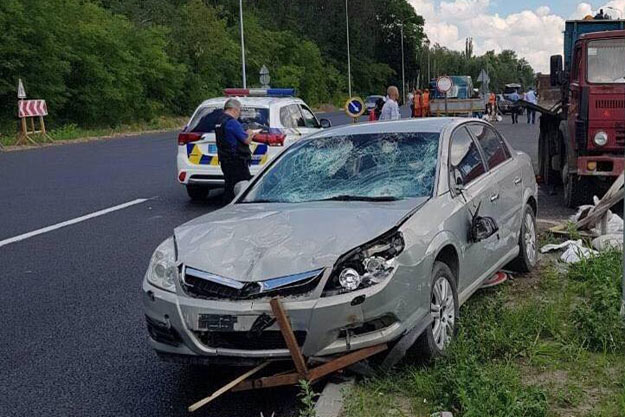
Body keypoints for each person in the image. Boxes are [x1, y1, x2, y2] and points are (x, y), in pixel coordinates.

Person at [216, 98, 256, 202]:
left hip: (225, 160)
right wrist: (250, 132)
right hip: (236, 161)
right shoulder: (232, 122)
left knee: (229, 186)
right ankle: (239, 210)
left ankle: (227, 208)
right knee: (243, 187)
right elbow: (246, 140)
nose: (239, 114)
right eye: (239, 111)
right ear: (234, 109)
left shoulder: (219, 121)